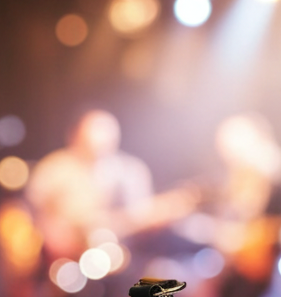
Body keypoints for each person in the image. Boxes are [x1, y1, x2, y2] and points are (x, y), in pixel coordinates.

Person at [25, 110, 195, 263]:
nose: (100, 145)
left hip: (122, 257)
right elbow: (30, 210)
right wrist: (53, 236)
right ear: (75, 137)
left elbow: (140, 214)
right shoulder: (54, 168)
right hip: (63, 260)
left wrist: (158, 216)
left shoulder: (131, 171)